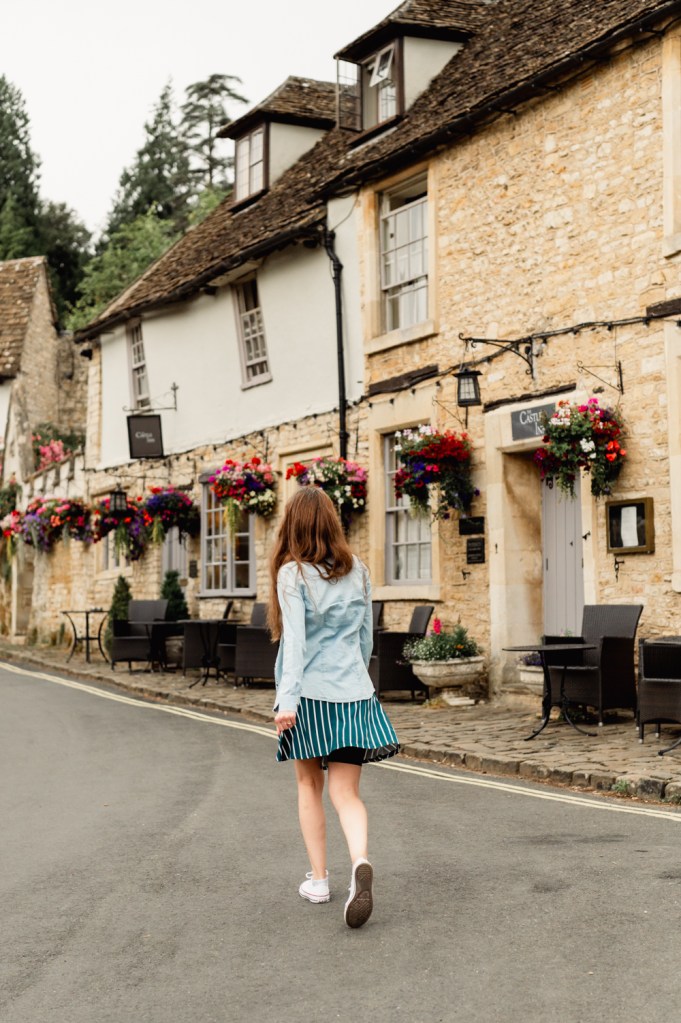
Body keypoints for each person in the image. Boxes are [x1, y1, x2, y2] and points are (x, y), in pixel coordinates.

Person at [268, 487, 399, 928]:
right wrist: (356, 681)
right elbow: (366, 640)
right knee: (348, 794)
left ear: (294, 525)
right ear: (331, 522)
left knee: (309, 787)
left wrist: (287, 701)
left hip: (310, 698)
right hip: (354, 695)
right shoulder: (359, 571)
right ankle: (360, 860)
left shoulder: (293, 574)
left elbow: (297, 643)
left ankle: (320, 881)